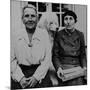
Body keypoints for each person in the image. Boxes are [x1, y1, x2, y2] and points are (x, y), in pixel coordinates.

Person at [11, 4, 52, 89]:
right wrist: (20, 78)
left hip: (40, 72)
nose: (30, 19)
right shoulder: (15, 35)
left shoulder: (43, 34)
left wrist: (36, 77)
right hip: (21, 72)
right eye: (26, 16)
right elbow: (11, 60)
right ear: (22, 19)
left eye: (33, 16)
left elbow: (47, 59)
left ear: (37, 19)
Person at [52, 10, 87, 86]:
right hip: (63, 67)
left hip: (77, 67)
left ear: (75, 21)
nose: (68, 22)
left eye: (71, 19)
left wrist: (84, 67)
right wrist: (59, 68)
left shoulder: (80, 34)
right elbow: (55, 55)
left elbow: (83, 54)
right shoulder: (59, 34)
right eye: (66, 19)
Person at [37, 12, 59, 86]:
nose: (56, 26)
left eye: (55, 23)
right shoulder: (42, 36)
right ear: (45, 25)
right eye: (51, 23)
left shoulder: (53, 36)